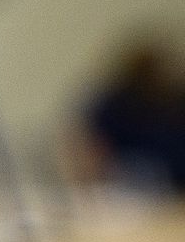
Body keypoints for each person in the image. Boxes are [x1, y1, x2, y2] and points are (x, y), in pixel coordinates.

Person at [78, 37, 184, 195]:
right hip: (124, 190)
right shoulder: (113, 105)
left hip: (174, 188)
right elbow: (92, 151)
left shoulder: (175, 101)